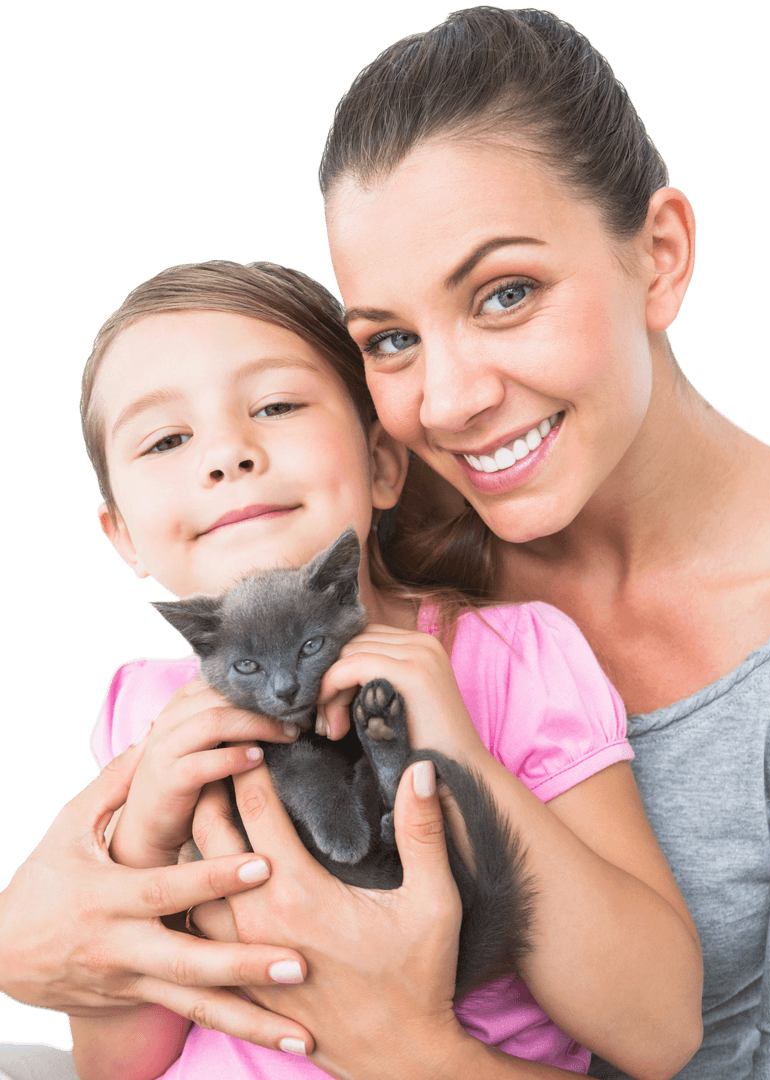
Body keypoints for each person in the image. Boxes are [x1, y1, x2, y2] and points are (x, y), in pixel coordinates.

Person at [4, 257, 702, 1080]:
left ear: (381, 463)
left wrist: (459, 756)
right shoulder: (143, 713)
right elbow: (121, 1068)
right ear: (124, 538)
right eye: (167, 439)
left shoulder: (511, 658)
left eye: (275, 405)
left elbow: (659, 1032)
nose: (228, 454)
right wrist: (146, 835)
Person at [306, 6, 770, 1079]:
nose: (447, 401)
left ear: (661, 257)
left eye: (506, 294)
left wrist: (406, 1050)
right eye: (391, 339)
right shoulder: (391, 547)